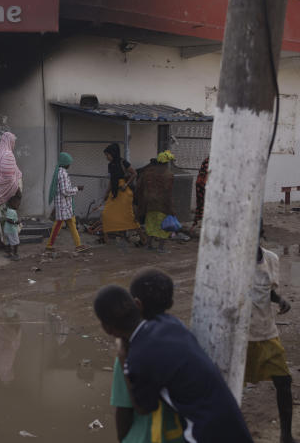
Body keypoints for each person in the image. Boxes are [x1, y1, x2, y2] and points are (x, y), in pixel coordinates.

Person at [94, 281, 253, 443]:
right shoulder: (171, 324)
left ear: (107, 329)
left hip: (203, 433)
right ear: (137, 304)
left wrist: (122, 357)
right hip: (232, 422)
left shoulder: (137, 358)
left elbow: (143, 407)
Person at [110, 268, 184, 443]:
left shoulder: (128, 350)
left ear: (135, 304)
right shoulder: (183, 340)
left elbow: (123, 410)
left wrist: (123, 439)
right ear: (171, 303)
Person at [246, 235, 296, 443]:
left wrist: (279, 299)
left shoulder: (271, 259)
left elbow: (268, 291)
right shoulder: (232, 261)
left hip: (266, 332)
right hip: (239, 336)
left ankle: (286, 435)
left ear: (259, 233)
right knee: (226, 386)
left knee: (283, 381)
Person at [45, 152, 90, 253]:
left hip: (64, 204)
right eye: (69, 163)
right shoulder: (63, 173)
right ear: (65, 163)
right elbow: (65, 191)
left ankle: (78, 245)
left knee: (71, 223)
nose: (70, 164)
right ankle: (49, 245)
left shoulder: (59, 172)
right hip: (63, 204)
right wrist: (77, 188)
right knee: (58, 224)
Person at [135, 151, 175, 253]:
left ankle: (149, 245)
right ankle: (161, 248)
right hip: (162, 205)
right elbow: (168, 193)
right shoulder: (168, 174)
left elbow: (138, 187)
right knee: (164, 226)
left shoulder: (147, 172)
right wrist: (171, 209)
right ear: (166, 163)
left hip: (149, 204)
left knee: (151, 225)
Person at [100, 143, 140, 245]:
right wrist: (106, 193)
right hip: (114, 192)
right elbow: (111, 180)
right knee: (105, 214)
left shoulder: (123, 162)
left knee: (128, 215)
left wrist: (126, 184)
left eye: (107, 155)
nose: (106, 157)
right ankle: (106, 239)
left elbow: (135, 173)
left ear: (113, 153)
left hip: (123, 192)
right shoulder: (110, 165)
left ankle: (142, 236)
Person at [191, 157, 209, 233]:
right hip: (204, 184)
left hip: (201, 183)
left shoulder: (207, 160)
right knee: (204, 205)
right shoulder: (210, 160)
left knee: (201, 204)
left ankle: (197, 224)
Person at [3, 194, 21, 261]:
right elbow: (9, 220)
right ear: (12, 203)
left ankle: (8, 254)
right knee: (16, 243)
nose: (18, 205)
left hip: (7, 230)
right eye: (17, 204)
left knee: (8, 242)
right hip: (12, 230)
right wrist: (16, 222)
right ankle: (15, 254)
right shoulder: (12, 211)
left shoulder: (8, 210)